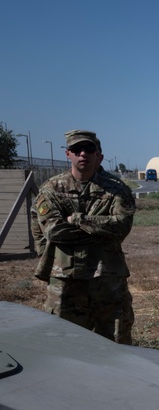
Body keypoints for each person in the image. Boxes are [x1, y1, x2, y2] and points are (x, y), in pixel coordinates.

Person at [33, 130, 135, 340]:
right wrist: (100, 230)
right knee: (65, 345)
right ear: (67, 154)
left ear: (99, 155)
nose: (83, 154)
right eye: (76, 150)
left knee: (116, 346)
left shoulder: (117, 190)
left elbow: (121, 227)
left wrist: (77, 219)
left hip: (106, 278)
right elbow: (53, 231)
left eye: (89, 149)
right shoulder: (51, 189)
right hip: (65, 279)